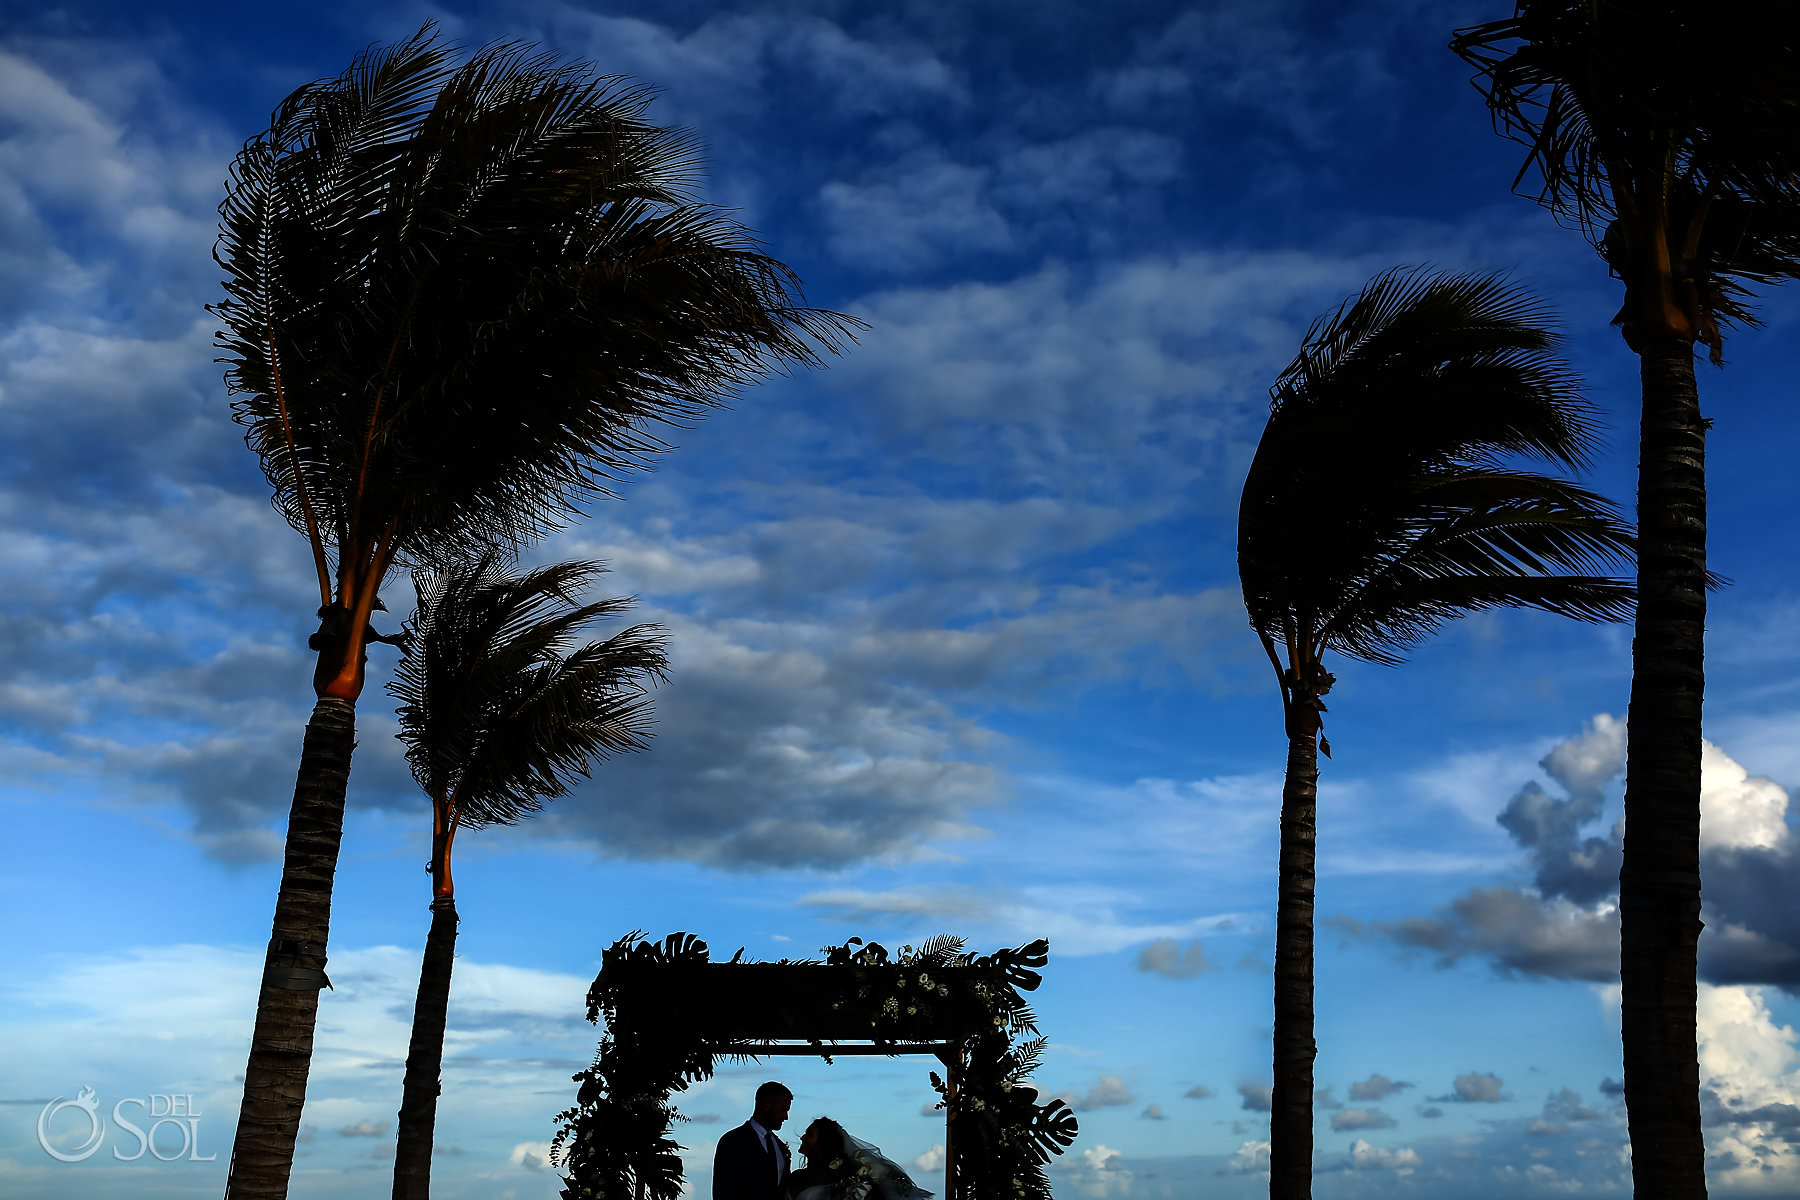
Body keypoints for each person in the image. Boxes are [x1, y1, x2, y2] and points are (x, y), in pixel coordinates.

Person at [785, 1116, 932, 1200]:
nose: (803, 1137)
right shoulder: (797, 1176)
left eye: (809, 1134)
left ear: (824, 1144)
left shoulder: (841, 1183)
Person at [714, 1081, 793, 1200]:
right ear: (767, 1106)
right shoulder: (732, 1142)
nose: (785, 1116)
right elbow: (723, 1190)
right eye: (782, 1110)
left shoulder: (781, 1148)